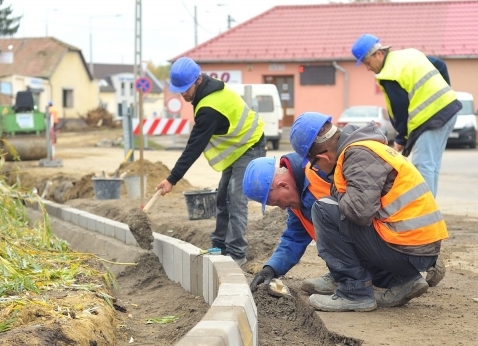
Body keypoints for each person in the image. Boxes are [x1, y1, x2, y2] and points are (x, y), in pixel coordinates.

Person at [290, 112, 448, 312]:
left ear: (322, 156)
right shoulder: (366, 148)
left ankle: (354, 292)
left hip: (410, 248)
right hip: (415, 246)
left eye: (315, 165)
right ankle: (403, 280)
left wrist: (338, 192)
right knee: (335, 210)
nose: (318, 169)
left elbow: (359, 212)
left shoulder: (358, 155)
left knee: (324, 210)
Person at [155, 57, 266, 266]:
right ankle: (220, 246)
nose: (183, 93)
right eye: (179, 89)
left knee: (235, 200)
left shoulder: (209, 107)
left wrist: (172, 179)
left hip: (251, 146)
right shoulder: (207, 91)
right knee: (222, 197)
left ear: (198, 80)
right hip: (237, 149)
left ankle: (236, 254)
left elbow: (193, 147)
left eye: (185, 88)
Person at [351, 34, 461, 199]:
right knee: (432, 165)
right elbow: (440, 65)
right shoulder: (409, 55)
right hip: (449, 110)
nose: (368, 68)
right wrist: (445, 95)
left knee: (422, 166)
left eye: (367, 63)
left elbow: (400, 108)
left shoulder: (389, 73)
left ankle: (426, 214)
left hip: (431, 118)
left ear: (378, 54)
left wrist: (401, 139)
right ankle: (431, 210)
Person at [243, 150, 344, 295]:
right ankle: (343, 274)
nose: (282, 207)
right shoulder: (297, 202)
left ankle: (351, 282)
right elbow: (294, 237)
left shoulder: (322, 172)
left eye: (277, 201)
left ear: (283, 185)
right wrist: (271, 268)